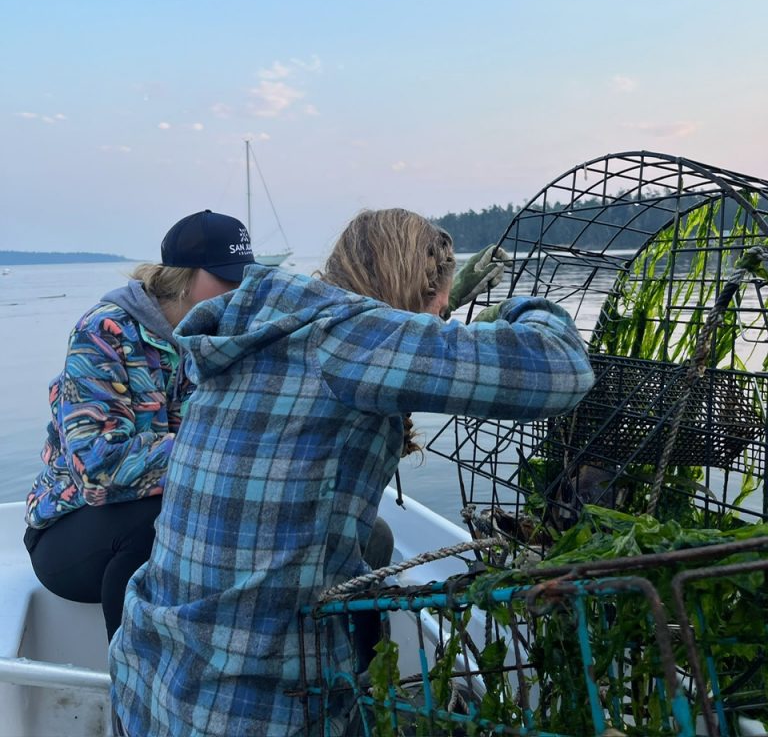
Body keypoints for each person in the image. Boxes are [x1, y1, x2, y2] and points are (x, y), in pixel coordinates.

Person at [110, 208, 595, 737]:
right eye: (441, 307)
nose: (442, 322)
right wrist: (519, 308)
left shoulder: (268, 332)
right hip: (250, 708)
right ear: (417, 290)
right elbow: (562, 368)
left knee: (375, 542)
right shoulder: (351, 335)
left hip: (151, 679)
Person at [24, 209, 255, 642]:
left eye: (246, 277)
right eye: (226, 277)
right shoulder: (103, 332)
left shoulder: (220, 339)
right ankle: (133, 695)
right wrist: (217, 447)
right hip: (70, 532)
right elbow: (97, 471)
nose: (238, 290)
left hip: (173, 513)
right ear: (183, 277)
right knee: (155, 522)